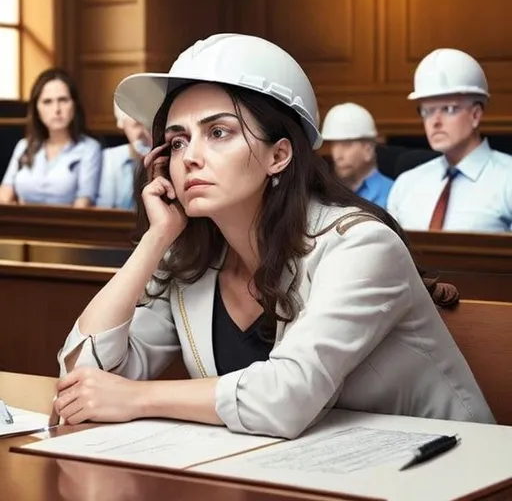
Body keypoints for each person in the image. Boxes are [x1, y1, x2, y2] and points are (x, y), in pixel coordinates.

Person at [54, 34, 494, 439]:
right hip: (303, 473)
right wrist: (157, 237)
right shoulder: (192, 264)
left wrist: (135, 399)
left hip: (445, 470)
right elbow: (83, 374)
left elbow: (287, 396)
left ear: (278, 155)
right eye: (177, 142)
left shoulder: (361, 246)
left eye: (218, 132)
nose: (189, 158)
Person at [387, 48, 512, 232]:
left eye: (449, 109)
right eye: (427, 111)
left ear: (476, 115)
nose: (435, 122)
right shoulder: (405, 185)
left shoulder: (507, 179)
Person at [0, 68, 102, 207]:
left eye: (63, 100)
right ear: (36, 109)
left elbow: (83, 204)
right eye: (47, 102)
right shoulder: (24, 146)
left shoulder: (89, 148)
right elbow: (4, 196)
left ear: (74, 104)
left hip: (68, 226)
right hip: (20, 225)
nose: (56, 109)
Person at [321, 102, 393, 208]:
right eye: (334, 145)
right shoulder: (327, 195)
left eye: (346, 145)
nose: (337, 155)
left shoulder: (394, 193)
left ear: (368, 149)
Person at [96, 102, 152, 210]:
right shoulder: (109, 159)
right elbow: (104, 211)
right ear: (122, 123)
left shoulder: (169, 160)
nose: (145, 133)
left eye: (149, 126)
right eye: (137, 125)